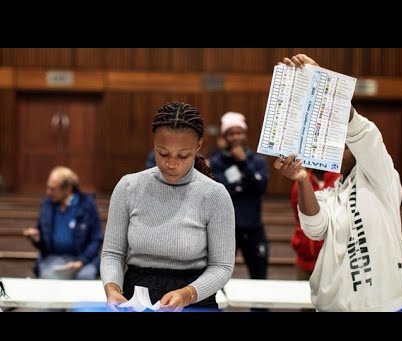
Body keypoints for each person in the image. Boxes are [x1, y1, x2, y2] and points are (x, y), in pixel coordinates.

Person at [274, 54, 402, 312]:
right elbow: (314, 228)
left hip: (382, 307)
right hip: (333, 306)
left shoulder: (382, 179)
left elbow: (364, 135)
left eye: (344, 145)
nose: (337, 149)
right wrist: (302, 180)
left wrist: (323, 84)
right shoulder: (330, 193)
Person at [100, 101, 235, 312]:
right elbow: (113, 253)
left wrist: (188, 294)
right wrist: (112, 287)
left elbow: (222, 267)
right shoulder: (128, 186)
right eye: (162, 153)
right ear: (153, 143)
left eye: (183, 155)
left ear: (199, 146)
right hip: (135, 298)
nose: (171, 164)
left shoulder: (214, 195)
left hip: (195, 298)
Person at [209, 112, 270, 280]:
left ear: (245, 134)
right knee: (218, 279)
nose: (236, 137)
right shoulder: (216, 162)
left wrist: (244, 164)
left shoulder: (258, 162)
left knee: (259, 279)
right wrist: (244, 184)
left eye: (239, 132)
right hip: (226, 230)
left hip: (254, 229)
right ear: (224, 136)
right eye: (231, 133)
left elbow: (260, 187)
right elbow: (220, 192)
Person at [23, 166, 103, 280]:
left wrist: (81, 261)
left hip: (83, 259)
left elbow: (96, 238)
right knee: (49, 277)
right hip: (54, 257)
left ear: (67, 188)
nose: (48, 192)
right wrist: (36, 239)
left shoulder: (87, 205)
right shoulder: (47, 205)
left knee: (85, 277)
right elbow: (44, 245)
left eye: (52, 189)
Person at [290, 169, 340, 281]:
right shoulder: (301, 180)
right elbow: (298, 218)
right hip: (305, 259)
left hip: (334, 262)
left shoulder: (339, 180)